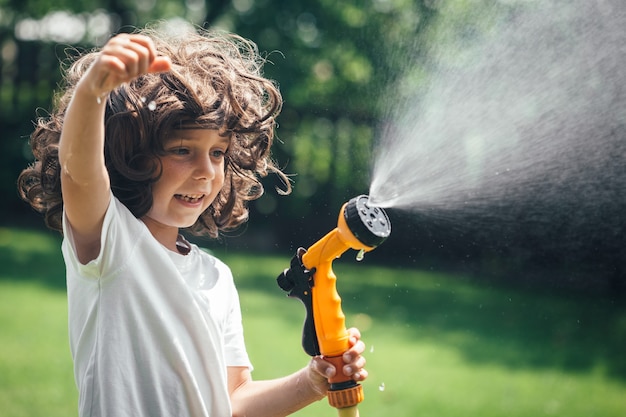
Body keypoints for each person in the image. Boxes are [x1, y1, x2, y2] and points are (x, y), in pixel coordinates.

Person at [18, 27, 367, 417]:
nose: (205, 171)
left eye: (217, 153)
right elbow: (80, 173)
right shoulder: (110, 245)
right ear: (125, 157)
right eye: (183, 150)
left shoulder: (216, 276)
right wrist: (93, 92)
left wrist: (312, 382)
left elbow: (232, 401)